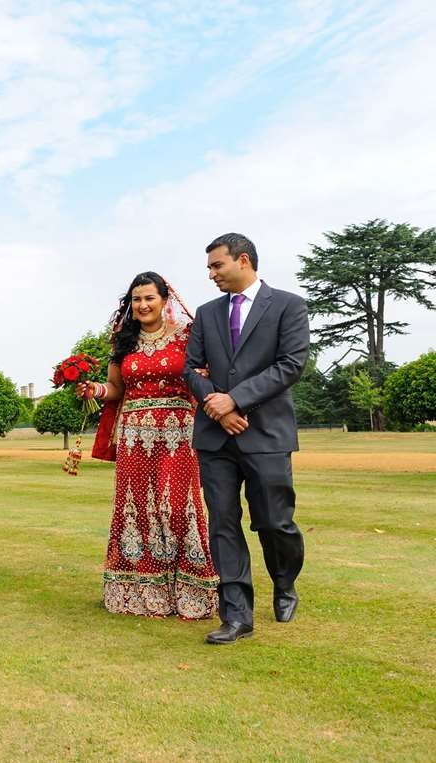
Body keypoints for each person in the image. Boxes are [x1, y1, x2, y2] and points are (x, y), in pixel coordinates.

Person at [183, 233, 310, 644]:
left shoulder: (289, 306)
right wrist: (218, 408)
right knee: (223, 525)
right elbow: (191, 369)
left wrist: (236, 400)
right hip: (214, 439)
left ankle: (285, 581)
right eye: (209, 267)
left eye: (216, 266)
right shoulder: (205, 314)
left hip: (267, 434)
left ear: (243, 260)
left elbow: (290, 365)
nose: (211, 274)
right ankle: (236, 615)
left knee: (275, 523)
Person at [77, 272, 219, 619]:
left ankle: (192, 593)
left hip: (179, 432)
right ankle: (137, 592)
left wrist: (206, 377)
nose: (142, 305)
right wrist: (93, 390)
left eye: (149, 298)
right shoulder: (123, 341)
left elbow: (210, 373)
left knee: (176, 506)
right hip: (134, 435)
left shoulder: (188, 336)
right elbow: (116, 390)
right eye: (136, 299)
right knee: (136, 507)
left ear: (164, 300)